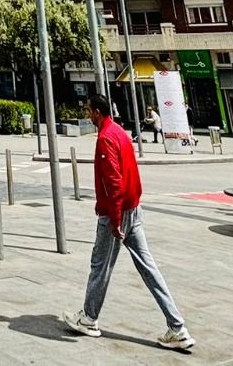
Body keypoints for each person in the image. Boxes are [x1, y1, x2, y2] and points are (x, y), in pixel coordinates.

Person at [62, 93, 194, 349]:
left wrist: (114, 219)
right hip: (134, 209)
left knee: (100, 266)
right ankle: (177, 327)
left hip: (118, 211)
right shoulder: (121, 133)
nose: (87, 114)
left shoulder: (105, 139)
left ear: (97, 113)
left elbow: (114, 183)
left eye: (88, 110)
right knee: (148, 267)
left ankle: (89, 318)